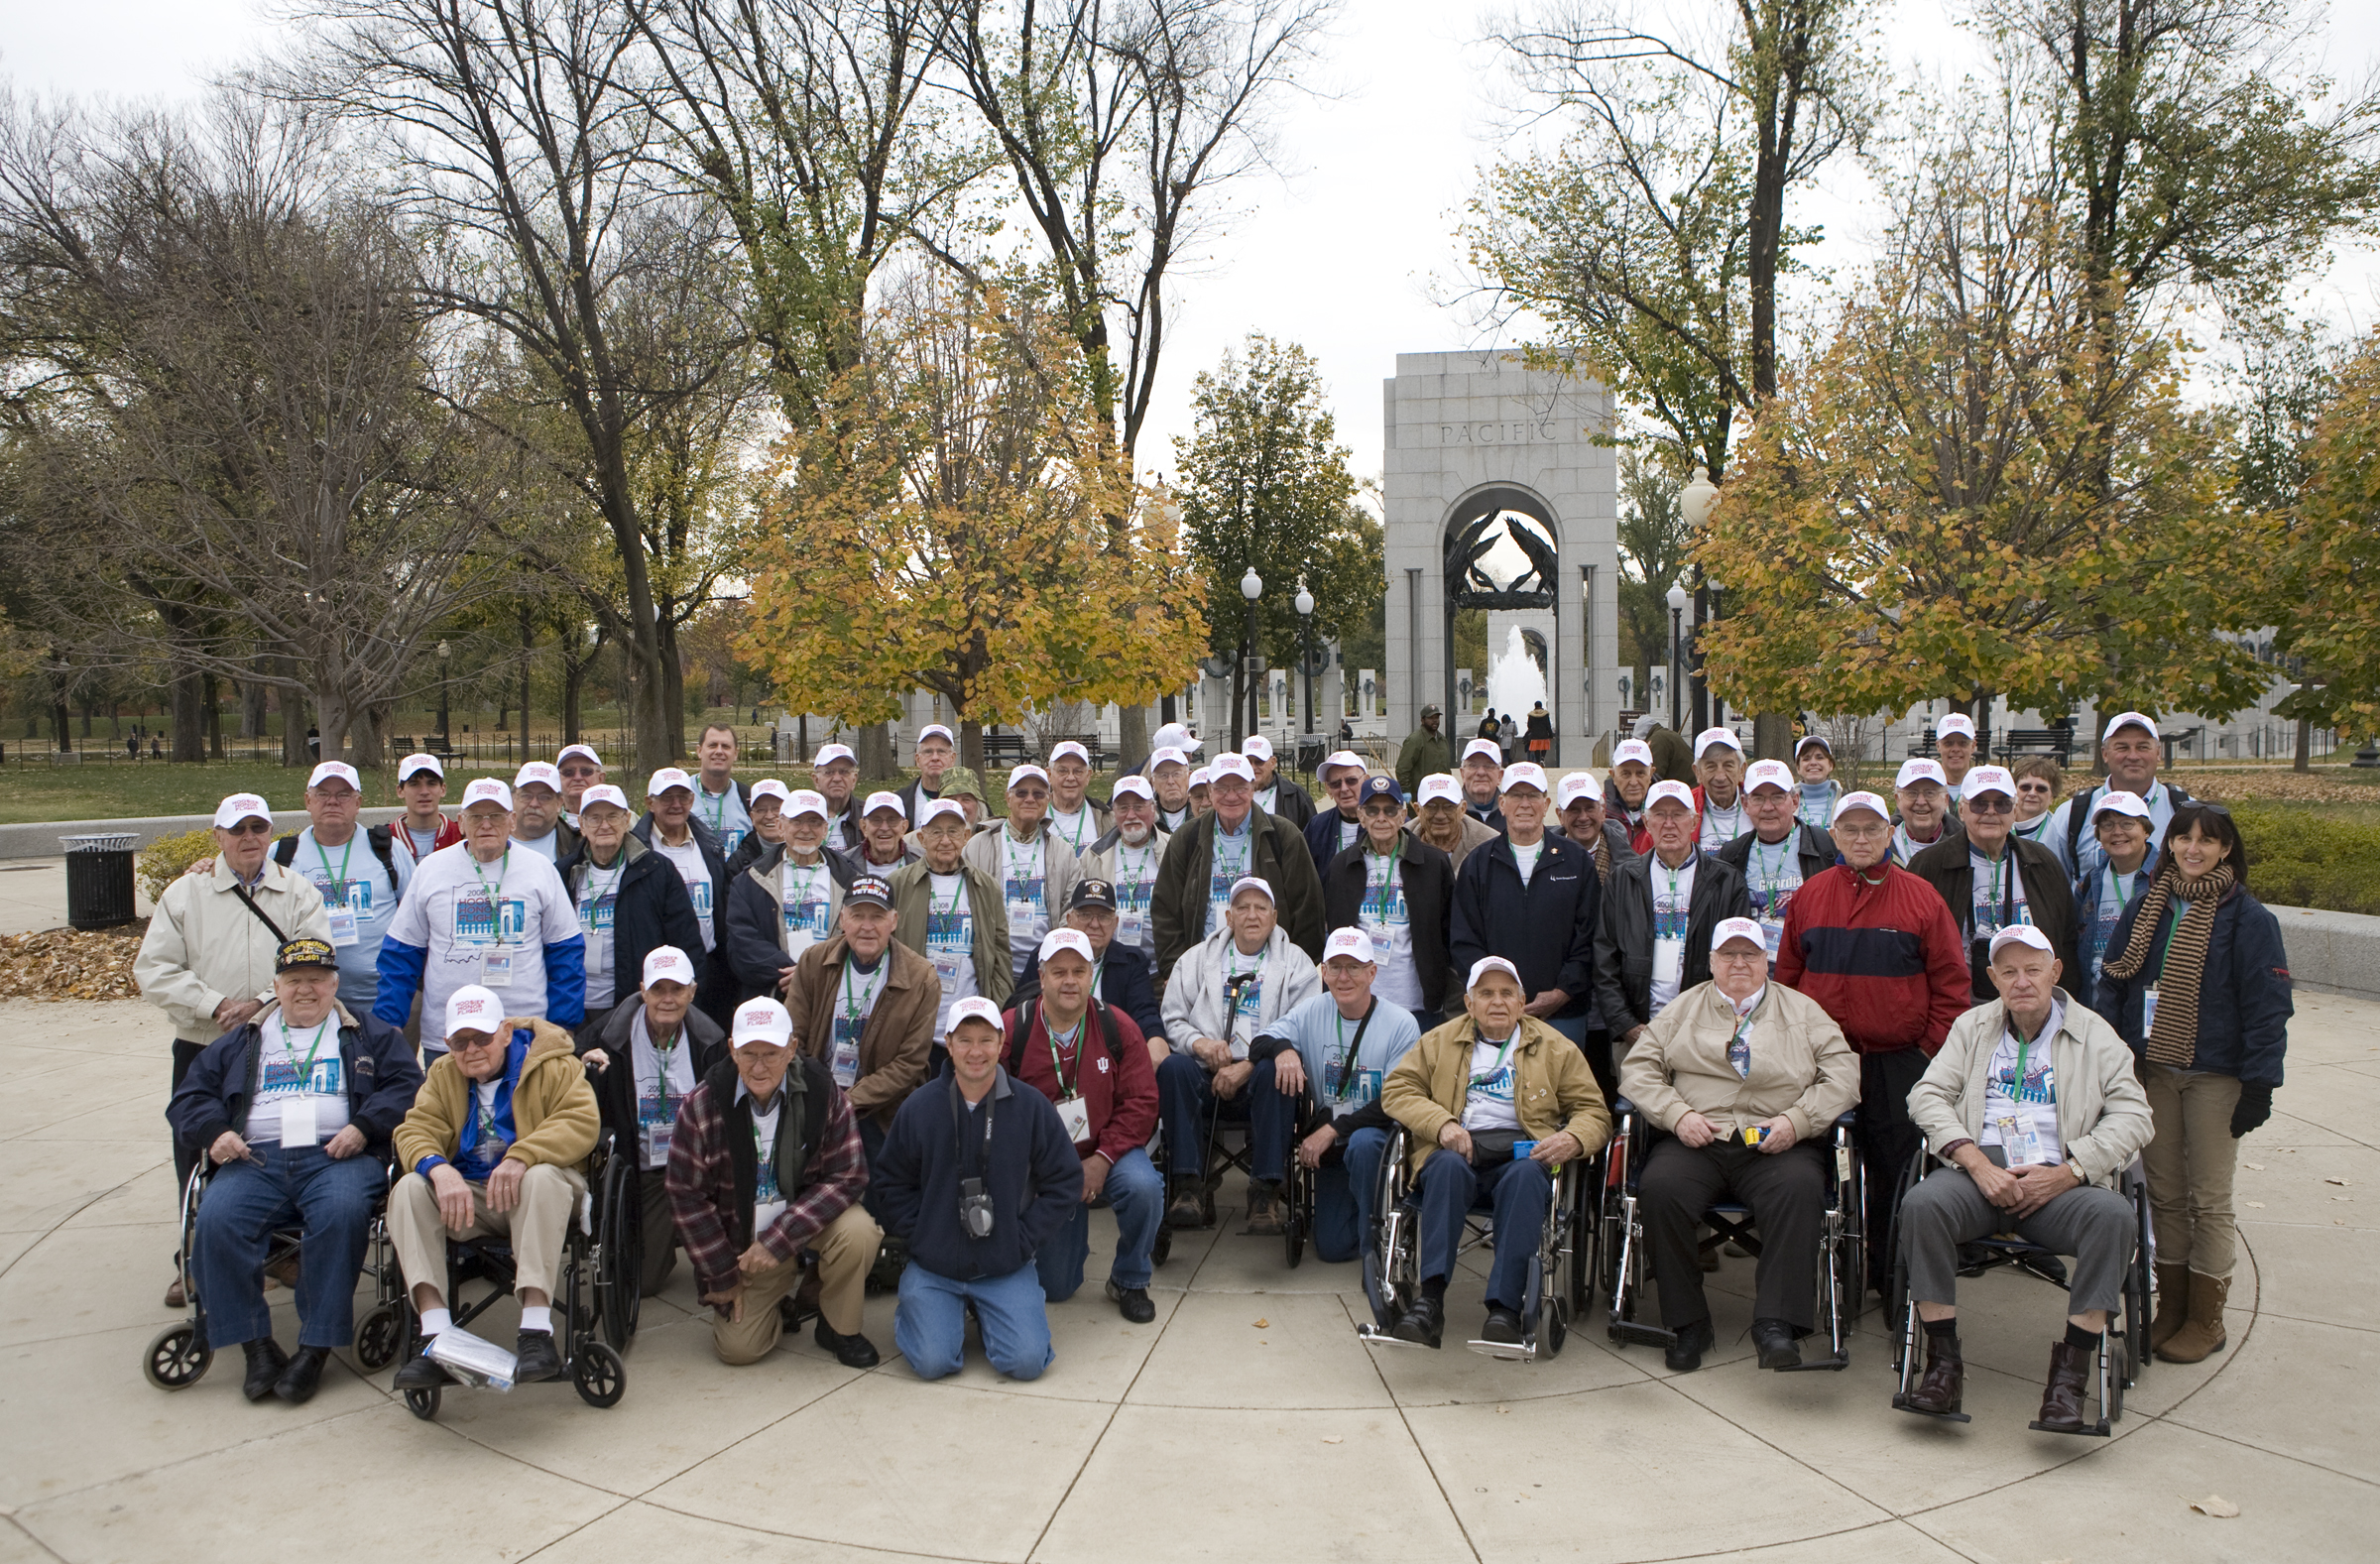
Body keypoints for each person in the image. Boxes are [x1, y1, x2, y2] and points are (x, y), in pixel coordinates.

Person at [1898, 925, 2156, 1428]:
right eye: (2009, 972)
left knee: (2113, 1217)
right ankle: (1942, 1366)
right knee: (1922, 1206)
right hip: (1977, 1176)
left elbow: (2135, 1116)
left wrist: (2072, 1171)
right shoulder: (1972, 1027)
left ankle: (2069, 1379)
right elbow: (1926, 1095)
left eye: (2033, 970)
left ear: (2054, 972)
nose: (2022, 982)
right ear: (1992, 978)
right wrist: (1975, 1162)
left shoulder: (2095, 1034)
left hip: (2059, 1180)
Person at [168, 936, 423, 1403]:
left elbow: (409, 1086)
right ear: (276, 986)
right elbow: (189, 1097)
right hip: (255, 1158)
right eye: (294, 980)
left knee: (340, 1214)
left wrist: (364, 1126)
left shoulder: (368, 1033)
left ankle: (315, 1348)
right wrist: (214, 1133)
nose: (306, 989)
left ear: (335, 984)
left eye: (317, 980)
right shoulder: (243, 1039)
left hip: (339, 1157)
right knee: (218, 1219)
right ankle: (256, 1346)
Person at [2094, 801, 2292, 1366]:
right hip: (2154, 1071)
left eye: (2206, 840)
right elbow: (2115, 983)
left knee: (2209, 1199)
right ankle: (2172, 1308)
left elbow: (2268, 1007)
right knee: (2165, 1195)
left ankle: (2207, 1319)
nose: (2193, 849)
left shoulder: (2249, 919)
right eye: (2184, 838)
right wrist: (2116, 1056)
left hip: (2215, 1075)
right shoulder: (2148, 905)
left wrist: (2260, 1084)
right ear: (2170, 844)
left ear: (2226, 849)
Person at [1621, 917, 1858, 1372]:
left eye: (1749, 954)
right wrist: (1676, 1114)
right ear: (1711, 962)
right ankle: (1688, 1323)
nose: (1739, 963)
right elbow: (1638, 1069)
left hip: (1776, 1139)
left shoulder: (1803, 1010)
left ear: (1766, 961)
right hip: (1699, 1137)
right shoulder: (1683, 1008)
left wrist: (1796, 1121)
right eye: (1728, 954)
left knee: (1799, 1189)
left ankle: (1776, 1325)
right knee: (1660, 1189)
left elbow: (1844, 1075)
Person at [1773, 790, 1970, 1290]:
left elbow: (1952, 985)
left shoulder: (1922, 897)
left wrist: (1926, 1050)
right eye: (1850, 830)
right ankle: (1823, 1270)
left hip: (1897, 1060)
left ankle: (1890, 1275)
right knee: (1817, 1165)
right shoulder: (1810, 895)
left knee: (1894, 1169)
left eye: (1872, 829)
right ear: (1834, 835)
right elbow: (1787, 982)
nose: (1861, 839)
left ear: (1889, 834)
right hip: (1823, 1064)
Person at [1377, 956, 1611, 1348]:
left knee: (1527, 1175)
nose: (1497, 1001)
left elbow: (1595, 1112)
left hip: (1522, 1156)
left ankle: (1504, 1308)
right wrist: (1442, 1124)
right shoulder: (1438, 1041)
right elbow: (1397, 1090)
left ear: (1522, 1002)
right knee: (1446, 1167)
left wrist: (1572, 1138)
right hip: (1457, 1151)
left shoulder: (1556, 1048)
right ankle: (1429, 1301)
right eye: (1486, 993)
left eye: (1506, 993)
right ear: (1469, 1004)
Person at [137, 792, 334, 1249]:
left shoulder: (299, 892)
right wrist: (215, 1004)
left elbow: (316, 959)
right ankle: (195, 1252)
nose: (249, 837)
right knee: (197, 1145)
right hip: (203, 1043)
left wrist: (260, 1004)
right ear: (218, 836)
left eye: (258, 828)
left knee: (275, 1145)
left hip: (278, 1042)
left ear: (270, 833)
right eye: (238, 829)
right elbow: (154, 969)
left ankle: (280, 1248)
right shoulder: (184, 893)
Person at [390, 987, 601, 1389]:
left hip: (543, 1189)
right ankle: (434, 1335)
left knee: (538, 1177)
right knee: (409, 1189)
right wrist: (438, 1169)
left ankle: (536, 1331)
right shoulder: (442, 1075)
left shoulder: (554, 1064)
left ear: (505, 1032)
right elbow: (415, 1129)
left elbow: (580, 1122)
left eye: (482, 1038)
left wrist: (522, 1156)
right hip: (473, 1193)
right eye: (460, 1041)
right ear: (447, 1043)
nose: (471, 1050)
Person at [661, 995, 882, 1367]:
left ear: (792, 1049)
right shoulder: (701, 1104)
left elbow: (849, 1173)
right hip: (744, 1244)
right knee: (739, 1351)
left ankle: (838, 1327)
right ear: (732, 1049)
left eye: (772, 1054)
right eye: (749, 1054)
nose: (760, 1067)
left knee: (859, 1231)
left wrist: (779, 1239)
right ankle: (778, 1303)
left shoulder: (822, 1090)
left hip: (801, 1223)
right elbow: (686, 1196)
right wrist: (721, 1274)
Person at [873, 996, 1082, 1382]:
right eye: (964, 1040)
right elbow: (889, 1181)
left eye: (986, 1040)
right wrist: (921, 1235)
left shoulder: (1031, 1107)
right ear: (948, 1044)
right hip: (935, 1266)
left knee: (1027, 1363)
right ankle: (920, 1309)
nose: (975, 1051)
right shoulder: (919, 1107)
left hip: (1004, 1264)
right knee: (933, 1363)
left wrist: (1023, 1238)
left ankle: (990, 1312)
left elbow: (1065, 1180)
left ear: (1001, 1043)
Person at [1004, 929, 1162, 1321]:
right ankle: (1063, 1238)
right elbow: (995, 1108)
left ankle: (1130, 1278)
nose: (1070, 981)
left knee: (1144, 1187)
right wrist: (1051, 1170)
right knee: (1057, 1287)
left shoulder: (1118, 1027)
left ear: (1092, 975)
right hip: (1042, 1162)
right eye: (1059, 972)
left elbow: (1141, 1103)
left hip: (1106, 1149)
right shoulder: (1011, 1028)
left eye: (1079, 971)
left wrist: (1103, 1159)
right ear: (1041, 977)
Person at [1157, 876, 1323, 1229]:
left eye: (1261, 907)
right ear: (1228, 917)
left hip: (1260, 1080)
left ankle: (1265, 1192)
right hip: (1205, 1073)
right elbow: (1172, 1017)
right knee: (1173, 1068)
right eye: (1243, 907)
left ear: (1274, 917)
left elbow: (1304, 1025)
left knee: (1276, 1072)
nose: (1252, 915)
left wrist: (1249, 1063)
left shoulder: (1297, 964)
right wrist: (1200, 1044)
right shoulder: (1195, 959)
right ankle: (1189, 1188)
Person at [376, 778, 586, 1055]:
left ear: (512, 821)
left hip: (524, 1031)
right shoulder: (431, 870)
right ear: (461, 822)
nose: (486, 825)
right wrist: (390, 1020)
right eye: (476, 817)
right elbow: (401, 953)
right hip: (449, 1036)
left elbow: (566, 952)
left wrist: (562, 1023)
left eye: (496, 816)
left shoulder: (540, 869)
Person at [1251, 927, 1423, 1263]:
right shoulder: (1312, 1010)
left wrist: (1332, 1129)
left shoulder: (1401, 1024)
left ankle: (1378, 1245)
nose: (1344, 977)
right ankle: (1365, 1217)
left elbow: (1396, 1101)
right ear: (1324, 973)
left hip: (1377, 1137)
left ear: (1372, 973)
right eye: (1335, 967)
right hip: (1333, 1147)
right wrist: (1284, 1050)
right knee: (1331, 1248)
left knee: (1363, 1143)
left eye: (1354, 967)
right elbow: (1259, 1043)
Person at [576, 946, 722, 1296]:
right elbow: (562, 1063)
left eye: (677, 989)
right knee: (640, 1283)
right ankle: (662, 1235)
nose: (667, 999)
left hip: (694, 1168)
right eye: (658, 989)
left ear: (692, 991)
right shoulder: (608, 1035)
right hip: (643, 1172)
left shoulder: (711, 1040)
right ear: (643, 990)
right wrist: (579, 1064)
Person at [783, 874, 940, 1190]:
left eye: (877, 917)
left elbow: (910, 1063)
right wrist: (819, 1096)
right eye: (857, 916)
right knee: (801, 1186)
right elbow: (791, 1040)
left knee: (879, 1197)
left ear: (894, 921)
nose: (867, 927)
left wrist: (848, 1101)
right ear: (843, 919)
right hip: (815, 1098)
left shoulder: (922, 978)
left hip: (880, 1111)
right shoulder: (813, 961)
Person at [1596, 782, 1753, 1083]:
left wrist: (1708, 1025)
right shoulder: (1623, 879)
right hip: (1637, 1032)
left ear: (1694, 821)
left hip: (1703, 1033)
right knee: (1640, 1108)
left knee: (1698, 1109)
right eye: (1659, 815)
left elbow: (1737, 961)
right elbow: (1604, 959)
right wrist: (1626, 1025)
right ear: (1647, 822)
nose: (1669, 824)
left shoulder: (1726, 880)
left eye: (1678, 814)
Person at [1449, 763, 1603, 1054]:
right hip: (1495, 1015)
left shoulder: (1576, 861)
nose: (1525, 804)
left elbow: (1591, 935)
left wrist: (1563, 991)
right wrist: (1496, 996)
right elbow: (1464, 938)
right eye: (1516, 795)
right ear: (1502, 803)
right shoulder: (1478, 864)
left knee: (1561, 1083)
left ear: (1546, 805)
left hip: (1564, 1014)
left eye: (1533, 795)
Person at [1908, 765, 2080, 1005]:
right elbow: (1909, 947)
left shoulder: (2042, 862)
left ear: (2015, 810)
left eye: (2002, 804)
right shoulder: (1929, 866)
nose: (1991, 812)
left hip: (2031, 1006)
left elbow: (2066, 941)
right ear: (1961, 810)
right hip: (1957, 1008)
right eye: (1979, 803)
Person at [1150, 752, 1325, 980]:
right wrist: (1179, 972)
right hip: (1202, 974)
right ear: (1210, 790)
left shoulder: (1283, 836)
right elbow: (1165, 911)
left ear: (1253, 788)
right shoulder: (1186, 839)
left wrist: (1290, 974)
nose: (1231, 796)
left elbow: (1308, 911)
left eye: (1240, 787)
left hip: (1270, 974)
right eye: (1222, 788)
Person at [560, 784, 704, 1037]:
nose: (604, 825)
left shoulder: (657, 870)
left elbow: (686, 940)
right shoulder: (563, 872)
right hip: (574, 1005)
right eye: (595, 818)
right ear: (581, 824)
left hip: (635, 1004)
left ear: (627, 820)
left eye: (613, 816)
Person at [274, 761, 407, 1017]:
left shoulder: (388, 850)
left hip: (382, 999)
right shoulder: (282, 855)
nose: (332, 801)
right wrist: (207, 867)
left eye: (344, 794)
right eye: (322, 794)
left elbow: (415, 917)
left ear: (358, 803)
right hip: (309, 1001)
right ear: (308, 801)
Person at [1324, 777, 1455, 1029]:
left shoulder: (1433, 863)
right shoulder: (1341, 866)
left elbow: (1448, 930)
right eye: (1373, 810)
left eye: (1390, 810)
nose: (1381, 818)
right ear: (1361, 816)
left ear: (1403, 815)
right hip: (1359, 1000)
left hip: (1417, 1002)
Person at [889, 799, 1013, 1039]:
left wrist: (999, 1007)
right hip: (913, 1025)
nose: (945, 841)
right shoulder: (898, 884)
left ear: (966, 836)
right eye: (936, 832)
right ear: (922, 838)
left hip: (970, 1025)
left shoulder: (986, 886)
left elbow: (1000, 955)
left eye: (953, 832)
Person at [725, 787, 857, 1003]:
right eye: (797, 821)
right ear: (780, 826)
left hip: (832, 993)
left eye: (814, 822)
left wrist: (815, 973)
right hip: (774, 994)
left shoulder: (851, 879)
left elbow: (859, 936)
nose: (806, 829)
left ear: (825, 829)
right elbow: (742, 944)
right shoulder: (750, 880)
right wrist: (794, 973)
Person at [1007, 879, 1168, 1050]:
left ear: (1115, 923)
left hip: (1112, 1053)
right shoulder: (1045, 956)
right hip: (1052, 1049)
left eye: (1103, 917)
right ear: (1069, 919)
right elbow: (1020, 1008)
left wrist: (1155, 1038)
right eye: (1085, 915)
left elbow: (1145, 1013)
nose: (1094, 924)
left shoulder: (1131, 962)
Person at [965, 764, 1083, 983]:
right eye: (1021, 793)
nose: (1030, 799)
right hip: (995, 968)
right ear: (1008, 798)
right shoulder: (978, 846)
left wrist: (1053, 956)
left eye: (1038, 793)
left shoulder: (1063, 852)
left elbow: (1073, 908)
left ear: (1048, 800)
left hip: (1045, 970)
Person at [2045, 712, 2193, 881]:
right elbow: (2049, 882)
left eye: (2143, 747)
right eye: (2122, 747)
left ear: (2158, 752)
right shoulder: (2071, 814)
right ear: (2105, 754)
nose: (2133, 756)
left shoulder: (2186, 811)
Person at [637, 767, 732, 1021]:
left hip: (709, 965)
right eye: (667, 798)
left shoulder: (708, 844)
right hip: (660, 973)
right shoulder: (638, 850)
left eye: (683, 797)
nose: (676, 805)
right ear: (650, 803)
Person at [1715, 760, 1835, 956]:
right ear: (1745, 804)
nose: (1768, 807)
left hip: (1809, 963)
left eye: (1777, 797)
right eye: (1758, 798)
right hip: (1749, 965)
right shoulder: (1731, 855)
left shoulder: (1824, 847)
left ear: (1795, 801)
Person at [2071, 791, 2156, 1017]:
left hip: (2147, 1004)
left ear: (2146, 830)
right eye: (2107, 825)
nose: (2117, 832)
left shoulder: (2166, 879)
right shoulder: (2088, 884)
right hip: (2097, 1006)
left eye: (2127, 823)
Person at [1077, 776, 1166, 978]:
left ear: (1153, 809)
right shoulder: (1093, 854)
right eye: (1123, 808)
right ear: (1114, 812)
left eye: (1139, 807)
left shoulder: (1174, 849)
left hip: (1161, 973)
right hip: (1111, 971)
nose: (1131, 815)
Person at [1408, 773, 1500, 872]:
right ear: (1418, 810)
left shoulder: (1491, 846)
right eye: (1431, 807)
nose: (1440, 815)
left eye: (1448, 807)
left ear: (1462, 809)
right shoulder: (1400, 842)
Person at [1556, 772, 1632, 885]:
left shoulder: (1629, 865)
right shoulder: (1542, 860)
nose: (1583, 817)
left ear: (1603, 811)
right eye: (1574, 810)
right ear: (1560, 816)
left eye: (1589, 808)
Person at [692, 722, 755, 858]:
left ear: (735, 753)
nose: (719, 751)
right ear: (699, 751)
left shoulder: (749, 798)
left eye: (725, 746)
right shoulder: (681, 794)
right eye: (712, 745)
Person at [1304, 750, 1370, 872]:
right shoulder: (1317, 826)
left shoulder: (1388, 822)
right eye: (1335, 783)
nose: (1344, 789)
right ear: (1328, 789)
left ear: (1366, 781)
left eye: (1351, 780)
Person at [393, 754, 463, 869]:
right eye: (414, 784)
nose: (424, 792)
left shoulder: (461, 836)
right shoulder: (384, 840)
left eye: (431, 784)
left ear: (443, 789)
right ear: (400, 791)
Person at [1890, 757, 1961, 867]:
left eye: (1930, 793)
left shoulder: (1964, 846)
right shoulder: (1880, 844)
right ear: (1898, 800)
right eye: (1912, 793)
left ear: (1945, 800)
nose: (1921, 802)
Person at [1044, 740, 1111, 854]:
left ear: (1088, 776)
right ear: (1049, 775)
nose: (1070, 778)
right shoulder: (1034, 816)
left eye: (1078, 771)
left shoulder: (1106, 817)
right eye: (1063, 771)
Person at [1690, 728, 1751, 850]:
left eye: (1728, 765)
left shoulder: (1760, 804)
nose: (1720, 777)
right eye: (1710, 766)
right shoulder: (1685, 806)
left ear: (1742, 770)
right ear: (1698, 773)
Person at [510, 761, 579, 865]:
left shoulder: (578, 847)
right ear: (512, 798)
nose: (534, 804)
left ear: (559, 803)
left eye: (544, 797)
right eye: (526, 796)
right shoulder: (490, 840)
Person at [723, 777, 791, 882]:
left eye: (776, 809)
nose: (769, 816)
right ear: (752, 817)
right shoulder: (738, 861)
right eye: (761, 810)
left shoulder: (806, 851)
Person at [1243, 735, 1317, 830]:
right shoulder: (1231, 794)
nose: (1253, 767)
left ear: (1273, 762)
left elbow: (1312, 833)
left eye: (1259, 762)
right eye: (1248, 762)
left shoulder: (1295, 795)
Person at [842, 789, 920, 878]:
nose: (884, 828)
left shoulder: (922, 862)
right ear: (863, 827)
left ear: (904, 827)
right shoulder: (844, 864)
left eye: (892, 820)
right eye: (876, 820)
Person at [895, 724, 957, 827]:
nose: (935, 758)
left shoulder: (967, 802)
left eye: (941, 751)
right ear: (918, 759)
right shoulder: (901, 801)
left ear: (952, 759)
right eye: (928, 752)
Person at [809, 743, 864, 854]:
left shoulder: (868, 815)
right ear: (816, 780)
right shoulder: (801, 816)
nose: (837, 778)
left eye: (844, 772)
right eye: (829, 772)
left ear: (854, 780)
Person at [1606, 738, 1656, 851]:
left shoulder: (1667, 811)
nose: (1633, 782)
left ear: (1651, 774)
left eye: (1640, 773)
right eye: (1626, 774)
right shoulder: (1599, 812)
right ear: (1613, 776)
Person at [1395, 703, 1452, 797]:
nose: (1435, 721)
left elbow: (1446, 767)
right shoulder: (1414, 740)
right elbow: (1403, 768)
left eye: (1437, 717)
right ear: (1422, 720)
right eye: (1431, 718)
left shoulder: (1442, 740)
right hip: (1420, 794)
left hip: (1441, 793)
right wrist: (1405, 789)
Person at [2010, 756, 2065, 846]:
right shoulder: (1999, 823)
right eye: (2025, 787)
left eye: (2041, 789)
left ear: (2052, 796)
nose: (2032, 793)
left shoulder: (2058, 832)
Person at [1792, 736, 1842, 832]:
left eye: (1820, 757)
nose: (1813, 763)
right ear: (1798, 768)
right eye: (1806, 759)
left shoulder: (1844, 800)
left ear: (1830, 765)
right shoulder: (1786, 802)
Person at [1456, 739, 1507, 833]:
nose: (1481, 772)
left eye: (1488, 766)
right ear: (1462, 774)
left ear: (1500, 776)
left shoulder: (1512, 813)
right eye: (1473, 765)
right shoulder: (1451, 813)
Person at [1933, 712, 1979, 811]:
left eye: (1963, 743)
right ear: (1938, 746)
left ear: (1973, 746)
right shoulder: (1928, 788)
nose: (1956, 749)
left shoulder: (1982, 788)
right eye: (1948, 743)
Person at [1636, 713, 1697, 784]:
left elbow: (1655, 776)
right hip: (1689, 783)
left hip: (1685, 786)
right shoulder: (1666, 734)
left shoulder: (1657, 740)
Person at [556, 743, 606, 829]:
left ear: (600, 778)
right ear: (557, 779)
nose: (578, 777)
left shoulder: (623, 819)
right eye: (568, 772)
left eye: (586, 771)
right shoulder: (547, 822)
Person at [1148, 746, 1197, 831]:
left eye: (1176, 774)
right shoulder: (1147, 819)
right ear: (1153, 782)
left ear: (1189, 777)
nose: (1170, 781)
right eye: (1163, 775)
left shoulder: (1201, 811)